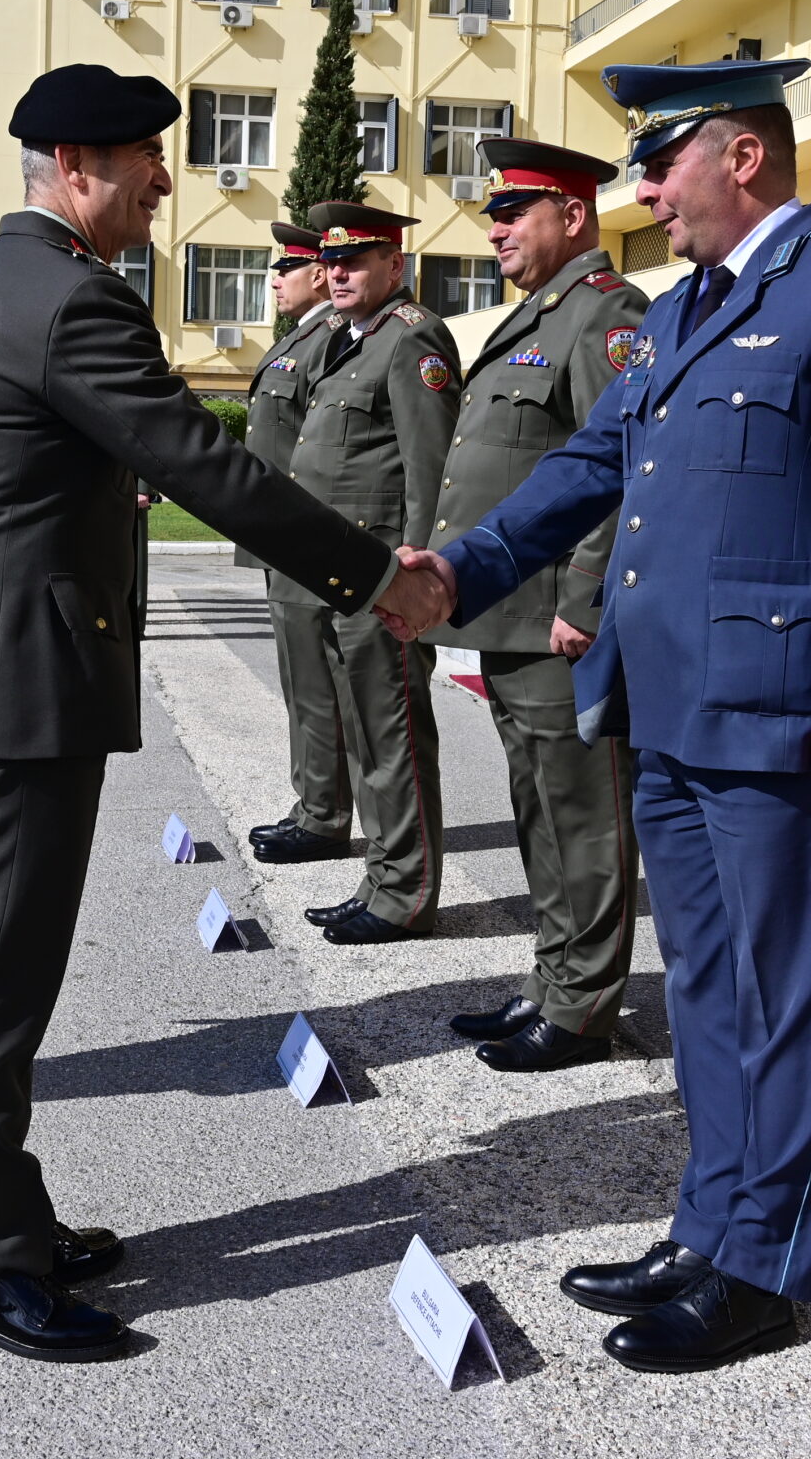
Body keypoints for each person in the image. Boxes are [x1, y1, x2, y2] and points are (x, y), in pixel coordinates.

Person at [392, 58, 811, 1373]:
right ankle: (709, 1225)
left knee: (783, 994)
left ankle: (765, 1268)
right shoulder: (688, 308)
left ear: (741, 156)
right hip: (670, 707)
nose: (644, 190)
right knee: (703, 987)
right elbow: (592, 465)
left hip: (781, 713)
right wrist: (461, 570)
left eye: (662, 162)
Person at [0, 64, 448, 1364]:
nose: (163, 179)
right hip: (19, 687)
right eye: (144, 155)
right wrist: (377, 573)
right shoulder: (73, 300)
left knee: (5, 971)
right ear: (77, 166)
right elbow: (204, 465)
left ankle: (7, 1213)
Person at [428, 137, 650, 1072]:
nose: (497, 230)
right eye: (496, 215)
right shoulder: (536, 316)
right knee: (540, 811)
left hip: (559, 620)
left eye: (516, 212)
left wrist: (586, 599)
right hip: (511, 617)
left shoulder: (606, 315)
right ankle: (553, 979)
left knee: (584, 818)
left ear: (574, 213)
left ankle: (586, 1008)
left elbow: (622, 466)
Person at [285, 202, 463, 946]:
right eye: (330, 262)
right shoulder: (344, 340)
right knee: (364, 735)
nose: (337, 274)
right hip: (339, 577)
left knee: (394, 739)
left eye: (354, 261)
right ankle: (382, 879)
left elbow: (430, 469)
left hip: (383, 576)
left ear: (396, 264)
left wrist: (418, 579)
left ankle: (406, 894)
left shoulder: (412, 336)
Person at [240, 222, 353, 867]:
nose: (275, 279)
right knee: (299, 678)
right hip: (281, 535)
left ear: (317, 273)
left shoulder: (329, 338)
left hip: (307, 533)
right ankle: (313, 803)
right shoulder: (297, 339)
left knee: (317, 683)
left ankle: (323, 815)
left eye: (287, 267)